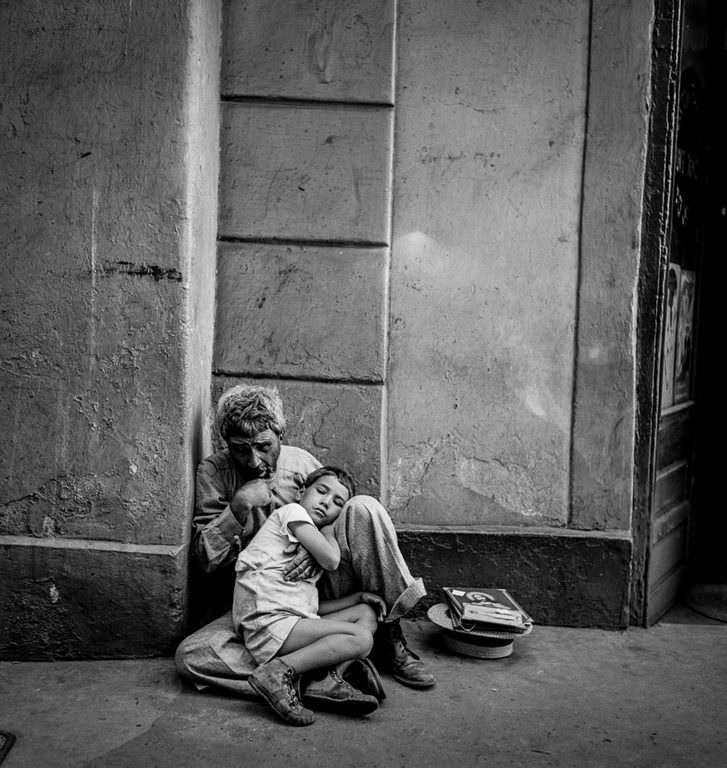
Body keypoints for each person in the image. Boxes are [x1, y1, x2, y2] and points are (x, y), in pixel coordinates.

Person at [174, 384, 435, 703]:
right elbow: (205, 559)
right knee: (191, 656)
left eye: (263, 446)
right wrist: (238, 507)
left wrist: (318, 544)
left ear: (280, 433)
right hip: (256, 602)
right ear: (226, 443)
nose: (254, 460)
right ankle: (315, 674)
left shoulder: (300, 465)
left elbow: (342, 514)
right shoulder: (214, 472)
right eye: (241, 449)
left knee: (364, 507)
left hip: (311, 592)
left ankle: (389, 635)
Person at [236, 465, 385, 725]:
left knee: (366, 614)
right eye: (321, 491)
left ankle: (324, 680)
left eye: (338, 502)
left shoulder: (307, 539)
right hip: (268, 625)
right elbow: (330, 559)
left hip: (289, 624)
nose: (326, 502)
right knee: (361, 639)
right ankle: (276, 673)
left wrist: (358, 597)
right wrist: (329, 529)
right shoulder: (291, 513)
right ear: (301, 492)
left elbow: (311, 609)